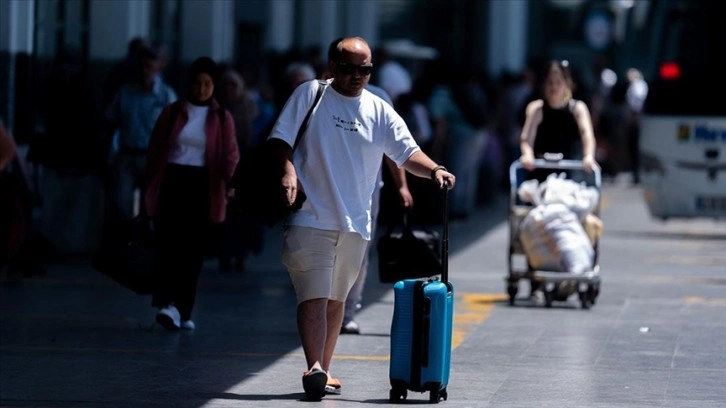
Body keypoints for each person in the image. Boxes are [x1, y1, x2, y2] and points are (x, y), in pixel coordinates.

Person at [268, 36, 455, 400]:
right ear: (332, 67)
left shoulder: (379, 108)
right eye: (349, 68)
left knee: (337, 298)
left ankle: (325, 365)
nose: (357, 76)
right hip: (311, 217)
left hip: (356, 222)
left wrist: (435, 170)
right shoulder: (311, 94)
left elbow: (406, 151)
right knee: (314, 296)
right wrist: (288, 172)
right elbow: (280, 139)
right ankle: (314, 367)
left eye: (365, 69)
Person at [143, 57, 239, 330]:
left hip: (202, 187)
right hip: (172, 183)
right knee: (168, 246)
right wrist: (149, 185)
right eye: (197, 83)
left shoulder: (221, 117)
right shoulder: (173, 112)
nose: (201, 89)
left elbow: (230, 154)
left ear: (214, 86)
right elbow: (156, 150)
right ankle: (166, 305)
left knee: (192, 252)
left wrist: (232, 183)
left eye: (207, 84)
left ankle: (183, 309)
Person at [105, 45, 178, 223]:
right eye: (142, 66)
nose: (145, 71)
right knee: (121, 204)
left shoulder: (166, 95)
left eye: (150, 67)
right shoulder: (125, 93)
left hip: (152, 157)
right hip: (127, 155)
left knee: (150, 205)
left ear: (157, 68)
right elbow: (111, 121)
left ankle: (145, 241)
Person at [519, 60, 597, 179]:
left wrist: (589, 156)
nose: (554, 87)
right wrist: (527, 155)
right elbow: (526, 138)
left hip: (571, 172)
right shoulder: (536, 109)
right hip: (540, 172)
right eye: (550, 82)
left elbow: (587, 135)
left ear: (567, 84)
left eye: (558, 82)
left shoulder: (578, 109)